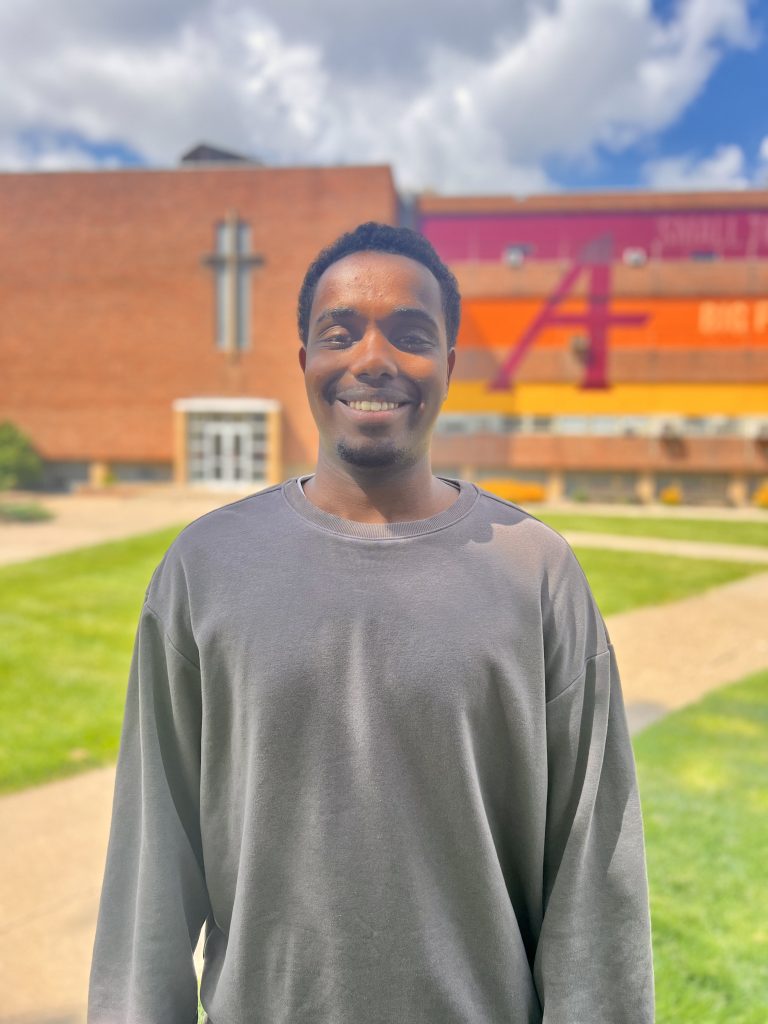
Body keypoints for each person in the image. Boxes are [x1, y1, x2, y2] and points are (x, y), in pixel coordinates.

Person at [89, 222, 654, 1023]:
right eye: (340, 332)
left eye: (411, 335)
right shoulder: (205, 567)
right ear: (305, 362)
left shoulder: (537, 572)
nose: (373, 357)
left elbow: (595, 876)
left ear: (448, 366)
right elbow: (152, 858)